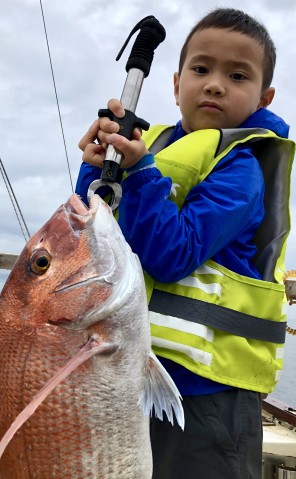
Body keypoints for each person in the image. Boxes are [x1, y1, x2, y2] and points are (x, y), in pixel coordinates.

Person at [76, 8, 295, 479]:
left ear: (264, 96)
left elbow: (172, 256)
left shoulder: (242, 171)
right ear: (176, 84)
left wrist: (137, 172)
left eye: (237, 75)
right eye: (201, 69)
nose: (215, 84)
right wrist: (96, 169)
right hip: (129, 375)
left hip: (207, 395)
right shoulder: (148, 146)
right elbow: (87, 238)